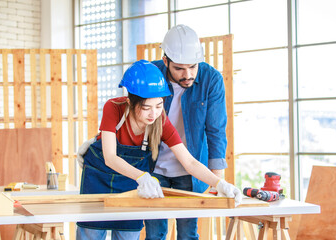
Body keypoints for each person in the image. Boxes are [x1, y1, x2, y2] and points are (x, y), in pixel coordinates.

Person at [76, 60, 241, 240]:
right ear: (130, 102)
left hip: (130, 182)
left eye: (159, 105)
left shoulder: (160, 120)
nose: (153, 114)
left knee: (127, 234)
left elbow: (190, 162)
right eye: (146, 107)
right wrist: (142, 176)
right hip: (99, 177)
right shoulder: (113, 107)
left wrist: (220, 183)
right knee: (90, 233)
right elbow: (110, 157)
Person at [144, 24, 238, 240]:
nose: (188, 75)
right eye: (179, 69)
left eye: (193, 67)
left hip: (191, 169)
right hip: (154, 167)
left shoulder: (211, 79)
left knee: (188, 234)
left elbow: (216, 129)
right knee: (155, 234)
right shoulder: (151, 74)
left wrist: (218, 180)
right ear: (166, 61)